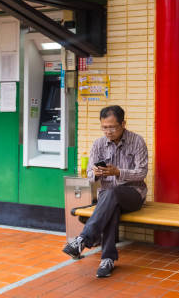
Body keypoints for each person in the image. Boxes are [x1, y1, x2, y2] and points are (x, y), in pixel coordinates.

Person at [63, 105, 148, 278]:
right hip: (108, 199)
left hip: (133, 194)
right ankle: (107, 259)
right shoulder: (98, 144)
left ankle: (83, 239)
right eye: (104, 127)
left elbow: (142, 172)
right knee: (111, 204)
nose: (108, 131)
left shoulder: (137, 141)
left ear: (123, 124)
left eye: (112, 127)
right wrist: (94, 174)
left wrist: (118, 172)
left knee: (113, 194)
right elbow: (88, 176)